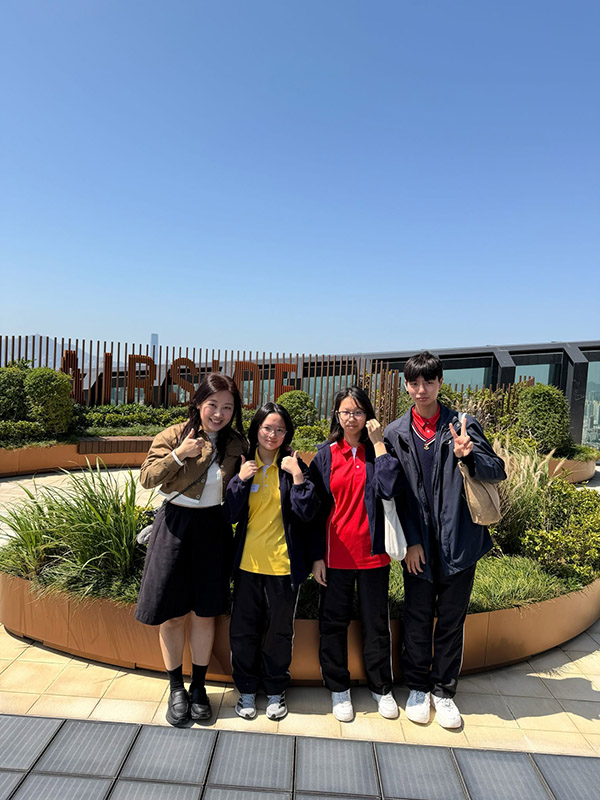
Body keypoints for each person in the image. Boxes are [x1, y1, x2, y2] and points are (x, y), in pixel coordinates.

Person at [382, 351, 506, 728]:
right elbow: (395, 493)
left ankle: (443, 690)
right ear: (406, 386)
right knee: (417, 618)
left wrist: (468, 457)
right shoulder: (396, 433)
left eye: (429, 381)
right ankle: (418, 687)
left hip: (459, 542)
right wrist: (410, 542)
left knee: (451, 620)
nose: (422, 389)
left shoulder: (462, 424)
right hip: (418, 546)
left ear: (440, 382)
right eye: (414, 383)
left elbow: (496, 470)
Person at [135, 373, 247, 726]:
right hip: (174, 525)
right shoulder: (173, 435)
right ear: (198, 403)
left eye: (227, 407)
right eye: (212, 405)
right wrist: (179, 455)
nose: (219, 413)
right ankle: (175, 688)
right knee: (172, 614)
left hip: (213, 528)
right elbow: (147, 478)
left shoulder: (237, 444)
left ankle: (199, 687)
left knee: (204, 612)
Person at [225, 402, 319, 721]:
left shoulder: (293, 464)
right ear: (256, 429)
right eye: (267, 428)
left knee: (279, 633)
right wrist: (239, 481)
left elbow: (307, 514)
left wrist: (299, 478)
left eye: (280, 429)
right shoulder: (244, 463)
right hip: (247, 565)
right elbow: (230, 514)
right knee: (243, 632)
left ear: (287, 433)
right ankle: (247, 690)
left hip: (282, 566)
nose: (273, 434)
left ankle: (276, 689)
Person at [309, 386, 398, 722]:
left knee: (376, 624)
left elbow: (389, 488)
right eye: (345, 412)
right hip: (336, 557)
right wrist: (317, 555)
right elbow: (315, 511)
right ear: (336, 414)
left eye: (358, 412)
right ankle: (339, 688)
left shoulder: (379, 452)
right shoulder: (325, 455)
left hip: (374, 555)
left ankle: (381, 687)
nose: (351, 418)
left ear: (368, 416)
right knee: (333, 624)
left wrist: (378, 443)